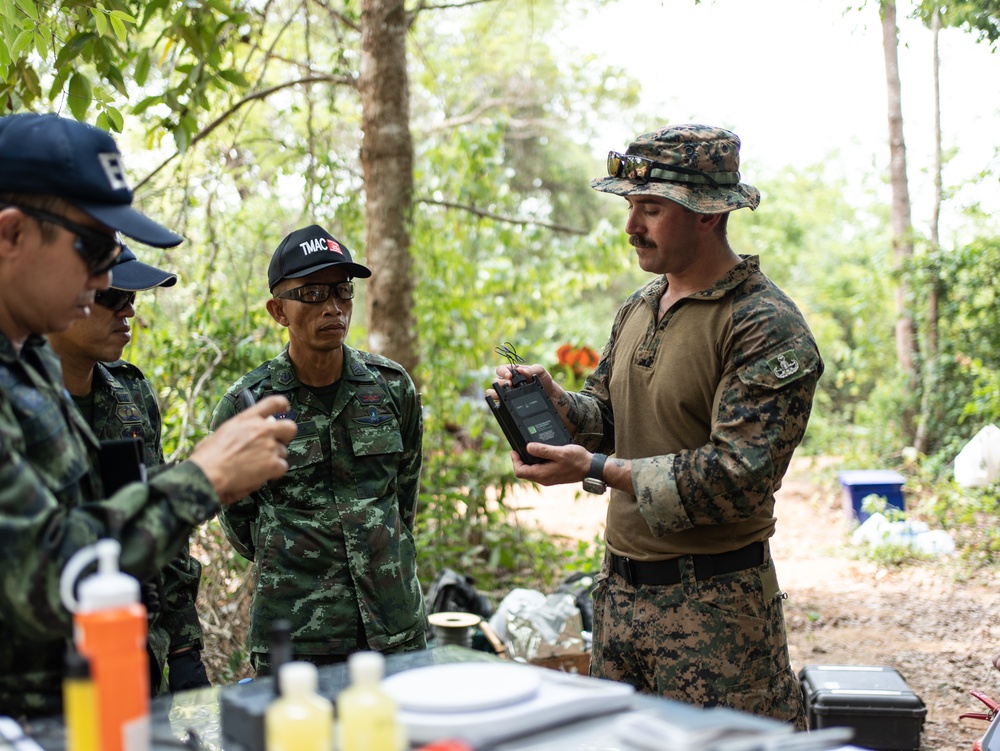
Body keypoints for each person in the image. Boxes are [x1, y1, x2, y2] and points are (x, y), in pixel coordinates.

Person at [491, 124, 823, 728]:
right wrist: (558, 405)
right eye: (630, 206)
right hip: (619, 598)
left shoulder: (763, 324)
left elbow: (738, 476)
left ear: (708, 214)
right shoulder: (640, 307)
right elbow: (607, 418)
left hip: (716, 615)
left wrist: (594, 468)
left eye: (651, 209)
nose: (631, 226)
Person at [0, 112, 297, 718]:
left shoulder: (27, 360)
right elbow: (41, 573)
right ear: (11, 234)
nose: (105, 279)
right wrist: (200, 480)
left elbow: (85, 520)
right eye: (93, 251)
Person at [211, 225, 426, 675]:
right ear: (278, 311)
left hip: (393, 626)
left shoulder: (390, 387)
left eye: (342, 291)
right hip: (297, 633)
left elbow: (403, 496)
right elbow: (239, 519)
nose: (332, 307)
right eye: (312, 294)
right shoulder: (248, 404)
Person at [47, 245, 212, 696]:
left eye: (132, 298)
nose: (129, 311)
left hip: (138, 659)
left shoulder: (131, 395)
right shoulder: (19, 406)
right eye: (111, 297)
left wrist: (184, 648)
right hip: (46, 674)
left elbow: (165, 536)